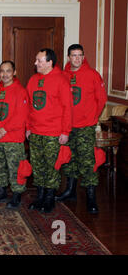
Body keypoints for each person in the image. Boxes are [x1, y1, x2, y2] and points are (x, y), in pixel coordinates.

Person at [56, 44, 107, 214]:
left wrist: (92, 117)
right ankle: (70, 191)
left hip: (85, 126)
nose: (77, 58)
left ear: (83, 57)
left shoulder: (92, 75)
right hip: (67, 126)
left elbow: (101, 100)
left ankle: (91, 197)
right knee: (69, 159)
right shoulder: (63, 76)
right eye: (73, 55)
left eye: (80, 55)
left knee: (87, 161)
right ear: (68, 57)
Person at [26, 48, 73, 214]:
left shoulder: (61, 80)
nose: (35, 63)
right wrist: (28, 128)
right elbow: (29, 107)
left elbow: (68, 108)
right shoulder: (33, 80)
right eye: (36, 60)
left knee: (51, 167)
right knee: (37, 166)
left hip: (54, 133)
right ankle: (39, 197)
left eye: (39, 60)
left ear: (49, 62)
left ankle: (49, 199)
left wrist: (65, 131)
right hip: (36, 132)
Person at [0, 61, 29, 209]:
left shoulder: (20, 91)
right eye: (2, 71)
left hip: (13, 138)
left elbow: (21, 115)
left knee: (15, 168)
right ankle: (1, 192)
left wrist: (5, 129)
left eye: (8, 71)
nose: (5, 74)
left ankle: (16, 195)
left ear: (14, 72)